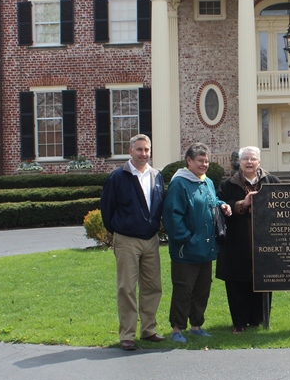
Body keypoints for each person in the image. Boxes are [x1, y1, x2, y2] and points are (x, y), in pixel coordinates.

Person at [99, 134, 166, 351]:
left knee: (153, 286)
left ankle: (148, 330)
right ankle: (127, 335)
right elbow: (107, 209)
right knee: (126, 288)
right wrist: (120, 229)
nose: (143, 154)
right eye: (139, 149)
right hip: (127, 240)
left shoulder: (157, 176)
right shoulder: (118, 177)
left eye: (146, 150)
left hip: (151, 240)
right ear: (130, 152)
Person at [163, 143, 232, 342]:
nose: (204, 164)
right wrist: (187, 239)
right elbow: (172, 216)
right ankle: (177, 329)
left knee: (202, 290)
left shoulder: (207, 181)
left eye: (206, 161)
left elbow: (212, 202)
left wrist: (222, 205)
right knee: (183, 290)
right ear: (189, 161)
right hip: (187, 250)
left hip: (206, 248)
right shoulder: (179, 184)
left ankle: (196, 326)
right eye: (200, 161)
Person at [216, 146, 281, 333]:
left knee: (264, 279)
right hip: (237, 243)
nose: (249, 162)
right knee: (237, 283)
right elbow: (220, 205)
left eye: (253, 159)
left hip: (265, 242)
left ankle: (259, 319)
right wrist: (241, 204)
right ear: (240, 162)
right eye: (245, 159)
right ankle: (239, 322)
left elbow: (286, 203)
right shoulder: (228, 185)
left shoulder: (272, 181)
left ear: (259, 162)